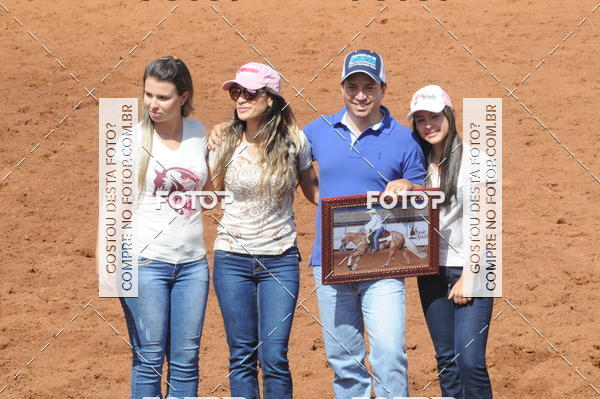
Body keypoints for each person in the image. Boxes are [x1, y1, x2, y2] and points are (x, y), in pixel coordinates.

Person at [304, 49, 426, 398]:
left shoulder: (403, 139)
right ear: (342, 87)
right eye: (352, 86)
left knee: (388, 351)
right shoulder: (318, 131)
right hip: (330, 261)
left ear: (383, 89)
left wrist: (411, 186)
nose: (360, 95)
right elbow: (278, 147)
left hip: (383, 266)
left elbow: (422, 202)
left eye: (368, 87)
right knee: (344, 360)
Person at [209, 62, 319, 399]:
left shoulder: (295, 142)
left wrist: (373, 199)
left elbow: (315, 193)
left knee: (274, 357)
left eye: (249, 92)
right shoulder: (224, 140)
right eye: (236, 92)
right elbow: (210, 192)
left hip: (280, 260)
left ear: (270, 98)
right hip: (231, 258)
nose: (241, 99)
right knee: (241, 355)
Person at [111, 56, 212, 399]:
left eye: (163, 97)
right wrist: (110, 267)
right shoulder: (130, 140)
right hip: (143, 262)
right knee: (149, 360)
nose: (153, 104)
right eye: (148, 95)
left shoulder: (199, 133)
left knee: (186, 363)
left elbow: (209, 192)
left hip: (193, 265)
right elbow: (113, 211)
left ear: (184, 97)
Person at [409, 84, 494, 398]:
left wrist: (470, 275)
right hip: (432, 270)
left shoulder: (476, 161)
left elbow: (486, 222)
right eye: (420, 119)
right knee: (447, 359)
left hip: (475, 267)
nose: (428, 125)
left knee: (470, 360)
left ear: (449, 115)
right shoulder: (416, 165)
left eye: (434, 116)